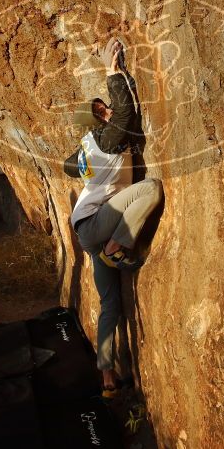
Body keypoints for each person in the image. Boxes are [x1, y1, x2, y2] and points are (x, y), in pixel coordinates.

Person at [64, 37, 163, 394]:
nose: (107, 110)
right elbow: (126, 113)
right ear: (98, 120)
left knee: (111, 305)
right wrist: (112, 70)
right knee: (151, 189)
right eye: (101, 109)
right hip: (98, 227)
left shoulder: (87, 148)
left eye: (103, 106)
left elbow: (67, 167)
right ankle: (117, 247)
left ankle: (106, 375)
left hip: (87, 228)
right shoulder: (106, 139)